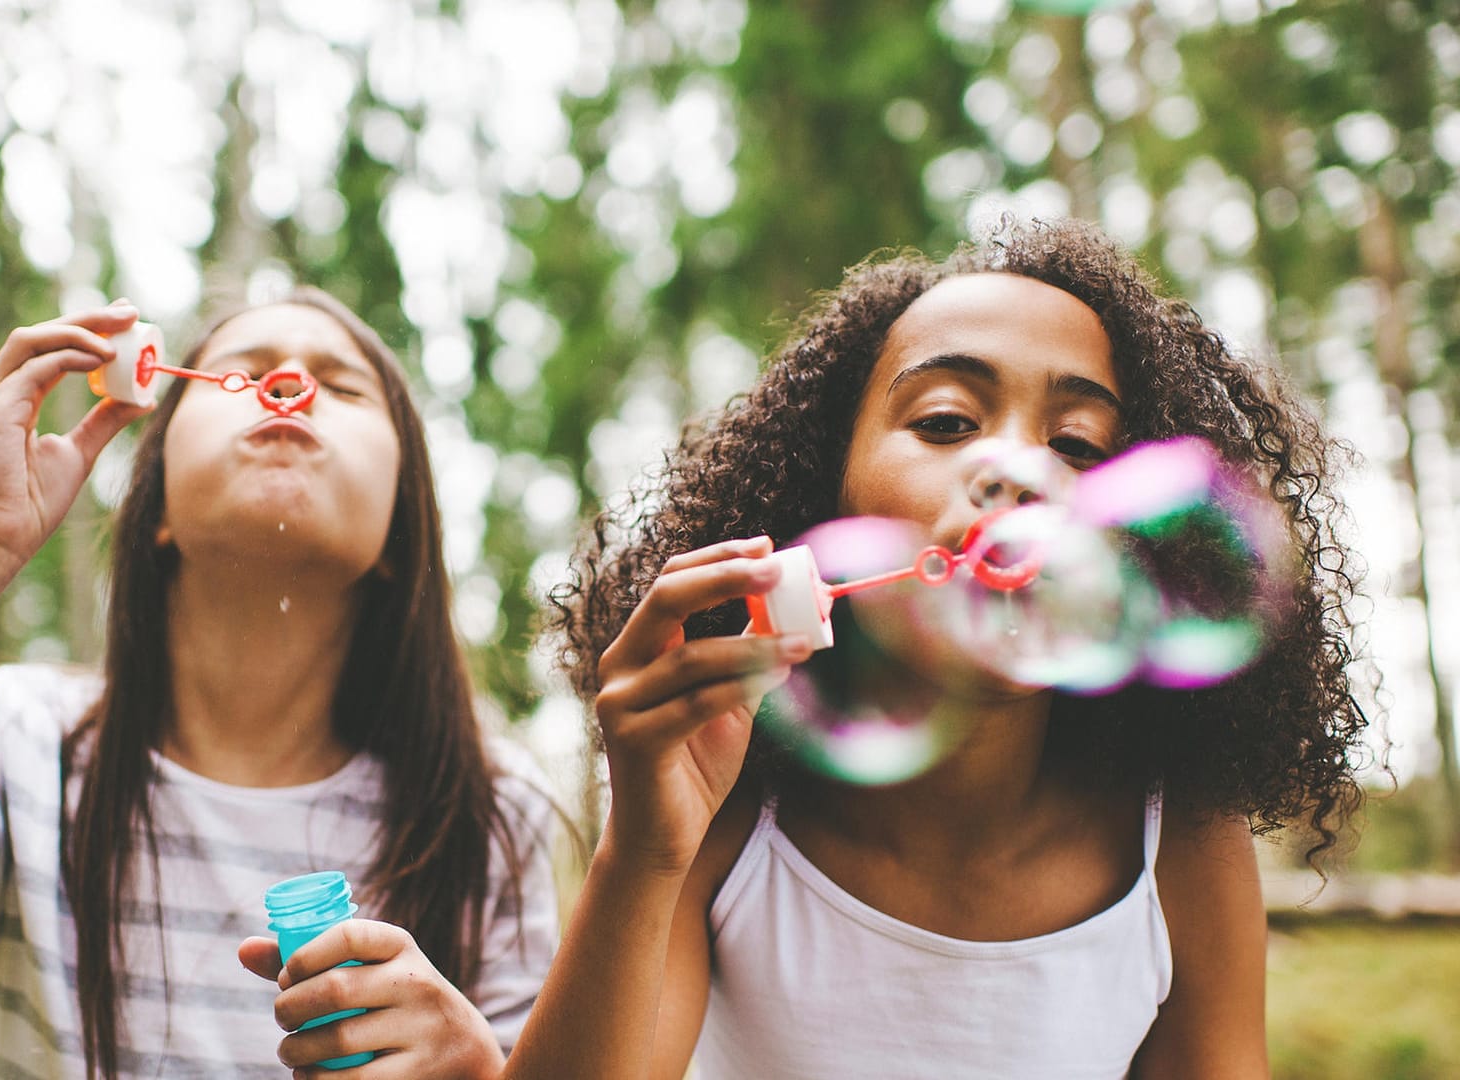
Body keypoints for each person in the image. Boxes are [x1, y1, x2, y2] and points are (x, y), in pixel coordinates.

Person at [504, 218, 1367, 1079]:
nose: (1015, 474)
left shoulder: (1175, 831)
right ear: (822, 483)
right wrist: (642, 857)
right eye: (949, 421)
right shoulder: (731, 809)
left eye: (1076, 445)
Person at [0, 287, 559, 1080]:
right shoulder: (24, 745)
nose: (291, 383)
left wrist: (481, 1073)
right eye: (245, 368)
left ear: (403, 535)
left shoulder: (486, 806)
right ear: (157, 506)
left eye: (344, 383)